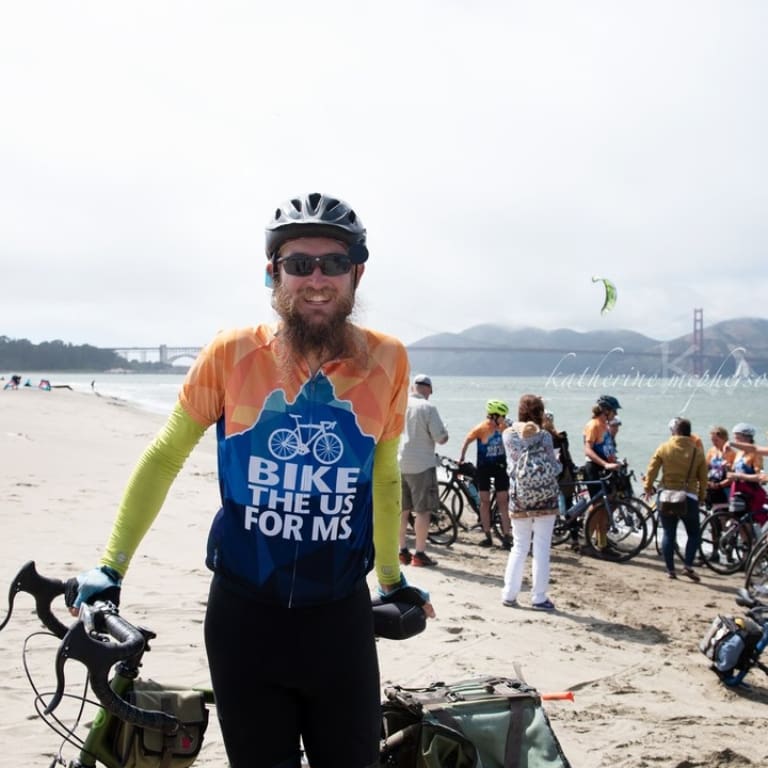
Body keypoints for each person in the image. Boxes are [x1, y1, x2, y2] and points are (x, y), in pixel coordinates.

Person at [66, 192, 435, 768]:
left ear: (357, 273)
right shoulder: (232, 353)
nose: (317, 279)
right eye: (299, 263)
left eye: (334, 263)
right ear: (273, 273)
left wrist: (391, 581)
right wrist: (111, 567)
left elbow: (384, 477)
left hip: (340, 617)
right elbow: (165, 456)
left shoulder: (387, 359)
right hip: (244, 619)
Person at [501, 394, 561, 611]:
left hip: (519, 497)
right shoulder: (544, 436)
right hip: (545, 497)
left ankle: (509, 594)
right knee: (542, 547)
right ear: (540, 413)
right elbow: (554, 468)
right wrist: (560, 464)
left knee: (519, 546)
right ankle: (539, 597)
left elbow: (511, 466)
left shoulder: (508, 435)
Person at [643, 417, 707, 581]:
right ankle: (688, 565)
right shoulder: (697, 452)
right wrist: (701, 497)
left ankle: (670, 570)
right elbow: (703, 479)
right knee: (694, 533)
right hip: (688, 497)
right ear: (689, 433)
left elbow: (652, 469)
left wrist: (648, 487)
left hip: (666, 495)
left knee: (668, 533)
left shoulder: (664, 447)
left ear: (675, 431)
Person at [398, 373, 449, 567]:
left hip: (398, 462)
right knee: (422, 511)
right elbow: (441, 438)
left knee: (401, 511)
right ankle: (419, 554)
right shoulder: (428, 408)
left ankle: (402, 551)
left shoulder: (400, 404)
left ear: (413, 387)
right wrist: (445, 431)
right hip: (421, 465)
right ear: (428, 390)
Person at [459, 399, 513, 549]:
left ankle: (506, 536)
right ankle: (488, 535)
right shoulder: (481, 428)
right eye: (502, 416)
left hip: (501, 467)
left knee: (503, 502)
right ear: (494, 415)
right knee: (484, 502)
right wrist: (462, 457)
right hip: (484, 469)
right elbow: (467, 440)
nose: (504, 419)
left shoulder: (504, 427)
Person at [582, 395, 624, 558]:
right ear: (606, 410)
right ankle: (588, 544)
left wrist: (614, 462)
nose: (615, 414)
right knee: (597, 507)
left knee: (605, 508)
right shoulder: (593, 425)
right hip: (594, 468)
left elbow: (606, 448)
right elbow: (588, 450)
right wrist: (605, 464)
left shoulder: (605, 426)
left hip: (605, 468)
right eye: (614, 411)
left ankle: (602, 543)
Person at [726, 423, 768, 526]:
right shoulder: (739, 454)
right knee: (738, 523)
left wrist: (739, 476)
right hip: (737, 490)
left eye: (737, 438)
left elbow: (761, 477)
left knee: (750, 523)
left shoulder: (755, 455)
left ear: (747, 438)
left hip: (750, 492)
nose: (736, 441)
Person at [704, 425, 736, 511]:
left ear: (724, 439)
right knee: (711, 512)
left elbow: (733, 476)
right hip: (712, 485)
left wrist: (720, 485)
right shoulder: (712, 450)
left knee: (725, 512)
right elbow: (705, 468)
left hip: (725, 487)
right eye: (712, 440)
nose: (713, 443)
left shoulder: (732, 454)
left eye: (716, 440)